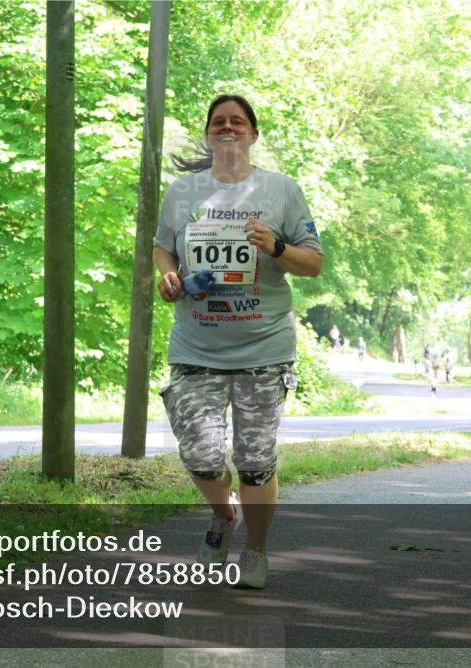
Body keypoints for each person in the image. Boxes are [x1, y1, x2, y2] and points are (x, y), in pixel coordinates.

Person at [153, 94, 324, 589]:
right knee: (201, 456)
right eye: (218, 122)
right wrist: (167, 277)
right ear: (209, 134)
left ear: (252, 134)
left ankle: (255, 550)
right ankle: (224, 516)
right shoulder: (183, 192)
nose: (228, 128)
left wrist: (277, 246)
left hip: (263, 348)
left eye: (238, 122)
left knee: (255, 461)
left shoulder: (282, 191)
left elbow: (313, 263)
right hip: (195, 347)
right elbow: (163, 248)